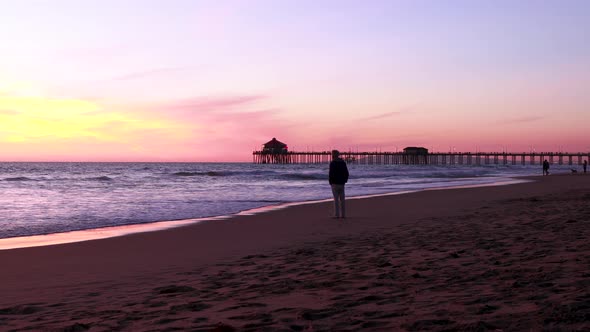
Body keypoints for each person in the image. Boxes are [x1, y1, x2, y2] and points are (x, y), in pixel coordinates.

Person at [329, 150, 349, 219]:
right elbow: (346, 173)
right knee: (342, 200)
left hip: (334, 183)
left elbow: (330, 174)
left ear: (333, 155)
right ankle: (343, 215)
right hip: (341, 183)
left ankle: (337, 215)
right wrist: (345, 180)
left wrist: (330, 182)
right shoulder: (343, 163)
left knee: (336, 200)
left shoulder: (332, 163)